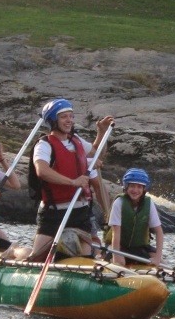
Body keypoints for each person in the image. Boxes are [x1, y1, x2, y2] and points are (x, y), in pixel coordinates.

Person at [29, 98, 114, 260]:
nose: (69, 120)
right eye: (64, 117)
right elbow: (42, 171)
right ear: (53, 120)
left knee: (85, 258)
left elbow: (97, 153)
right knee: (37, 257)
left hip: (80, 213)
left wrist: (101, 132)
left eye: (71, 116)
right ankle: (14, 252)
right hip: (53, 213)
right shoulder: (44, 145)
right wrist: (73, 182)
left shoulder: (76, 140)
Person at [108, 168, 164, 267]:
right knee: (120, 262)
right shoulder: (119, 202)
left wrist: (158, 258)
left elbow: (159, 231)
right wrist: (116, 255)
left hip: (140, 247)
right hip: (119, 246)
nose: (135, 190)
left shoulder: (149, 203)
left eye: (139, 187)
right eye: (132, 186)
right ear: (126, 187)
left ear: (144, 189)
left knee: (161, 262)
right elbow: (115, 232)